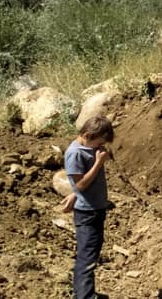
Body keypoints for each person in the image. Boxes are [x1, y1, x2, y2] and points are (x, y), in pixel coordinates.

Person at [65, 115, 116, 299]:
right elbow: (79, 184)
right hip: (87, 213)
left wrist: (74, 194)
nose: (99, 147)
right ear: (87, 135)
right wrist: (98, 163)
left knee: (91, 254)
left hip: (95, 209)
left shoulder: (87, 149)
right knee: (86, 259)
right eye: (98, 143)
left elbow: (77, 187)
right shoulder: (75, 153)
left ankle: (85, 293)